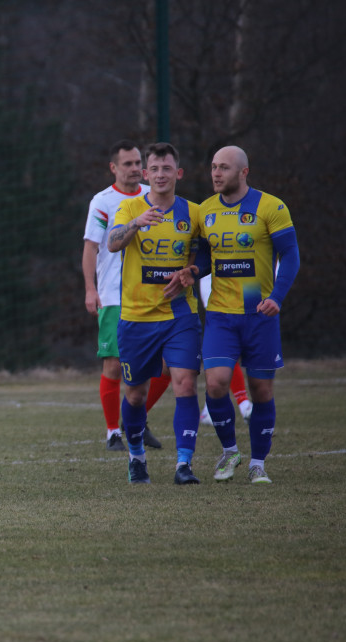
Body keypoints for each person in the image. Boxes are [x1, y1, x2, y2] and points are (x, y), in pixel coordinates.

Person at [181, 146, 299, 484]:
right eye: (213, 167)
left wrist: (276, 297)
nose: (216, 173)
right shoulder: (206, 210)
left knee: (261, 390)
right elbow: (205, 258)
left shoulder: (270, 206)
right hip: (220, 311)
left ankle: (258, 463)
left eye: (224, 168)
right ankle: (230, 451)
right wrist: (194, 271)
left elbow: (290, 256)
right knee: (216, 382)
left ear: (243, 172)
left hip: (258, 310)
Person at [107, 142, 202, 485]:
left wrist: (191, 272)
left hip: (180, 315)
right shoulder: (130, 207)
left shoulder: (194, 213)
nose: (161, 175)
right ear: (146, 174)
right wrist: (137, 223)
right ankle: (136, 457)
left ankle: (184, 465)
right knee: (135, 394)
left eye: (167, 168)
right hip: (137, 317)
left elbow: (206, 254)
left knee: (185, 383)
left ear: (178, 173)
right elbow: (113, 243)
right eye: (155, 169)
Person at [82, 140, 167, 452]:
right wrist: (91, 288)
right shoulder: (103, 201)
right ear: (113, 168)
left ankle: (136, 420)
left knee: (167, 366)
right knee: (115, 366)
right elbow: (91, 247)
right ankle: (112, 433)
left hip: (153, 295)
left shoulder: (152, 197)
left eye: (137, 163)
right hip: (114, 296)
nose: (134, 168)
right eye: (127, 164)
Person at [197, 274, 253, 426]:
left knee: (232, 348)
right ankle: (243, 404)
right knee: (224, 348)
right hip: (218, 287)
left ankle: (210, 409)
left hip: (247, 283)